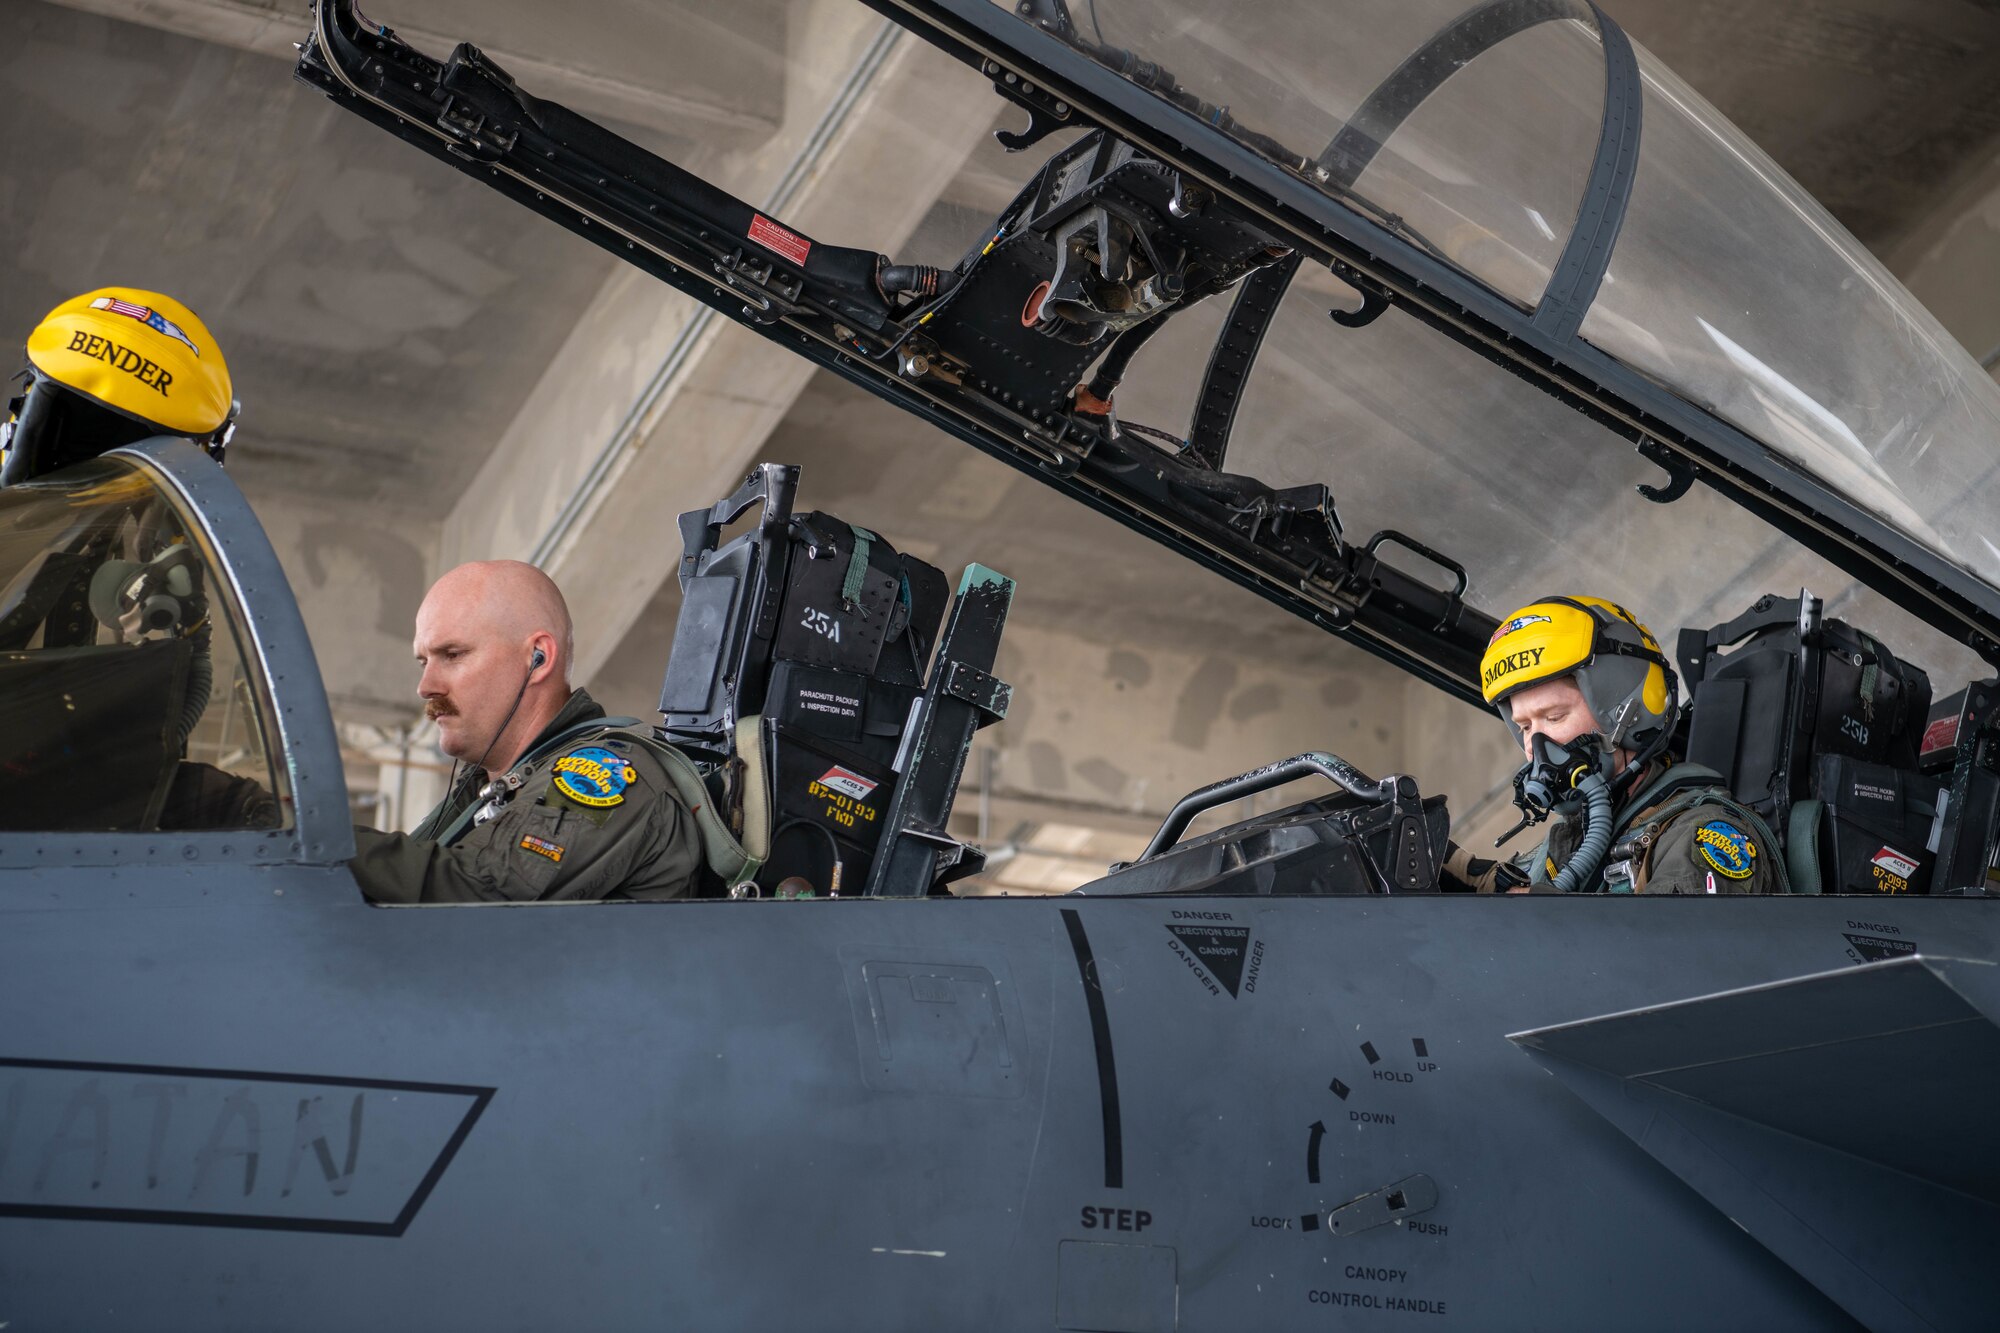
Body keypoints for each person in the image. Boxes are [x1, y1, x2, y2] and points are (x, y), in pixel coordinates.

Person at [348, 560, 705, 903]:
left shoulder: (601, 770)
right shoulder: (489, 787)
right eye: (424, 662)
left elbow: (481, 891)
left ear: (537, 658)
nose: (426, 686)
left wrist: (317, 841)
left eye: (453, 655)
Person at [1445, 595, 1785, 895]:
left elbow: (1659, 959)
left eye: (1554, 717)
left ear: (1628, 709)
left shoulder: (1701, 835)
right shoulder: (1564, 847)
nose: (1536, 746)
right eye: (1524, 726)